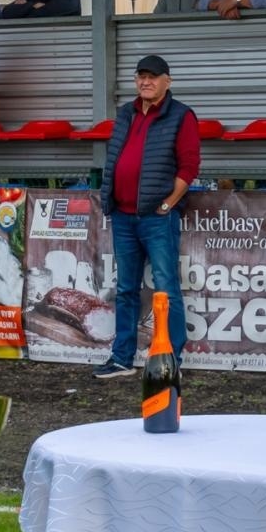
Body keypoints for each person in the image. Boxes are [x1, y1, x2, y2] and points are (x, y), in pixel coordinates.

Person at [92, 54, 201, 379]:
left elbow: (190, 166)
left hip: (157, 217)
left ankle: (169, 362)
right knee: (125, 289)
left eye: (152, 77)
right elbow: (115, 158)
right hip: (123, 216)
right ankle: (122, 358)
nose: (145, 82)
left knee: (166, 289)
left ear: (167, 81)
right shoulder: (126, 113)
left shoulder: (181, 115)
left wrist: (168, 204)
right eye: (141, 76)